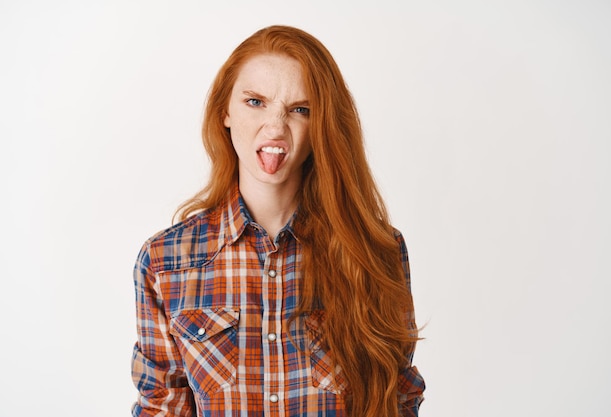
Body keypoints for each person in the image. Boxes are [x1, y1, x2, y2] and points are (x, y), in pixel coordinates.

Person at [131, 25, 425, 417]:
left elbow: (398, 400)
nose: (275, 127)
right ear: (226, 112)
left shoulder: (375, 249)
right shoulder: (166, 260)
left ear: (321, 125)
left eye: (300, 109)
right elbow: (161, 407)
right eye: (256, 102)